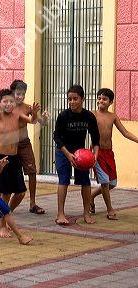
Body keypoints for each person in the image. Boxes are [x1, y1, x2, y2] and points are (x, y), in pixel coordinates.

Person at [0, 63, 39, 237]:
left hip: (14, 157)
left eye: (11, 101)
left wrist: (36, 113)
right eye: (5, 101)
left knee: (21, 192)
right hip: (2, 157)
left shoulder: (17, 115)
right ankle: (2, 224)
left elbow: (32, 122)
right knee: (5, 193)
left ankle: (5, 214)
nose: (9, 104)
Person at [54, 85, 100, 225]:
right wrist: (68, 155)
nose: (72, 102)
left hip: (81, 153)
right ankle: (60, 214)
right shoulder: (63, 116)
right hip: (63, 152)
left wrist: (95, 156)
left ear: (83, 99)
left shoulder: (89, 116)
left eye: (75, 99)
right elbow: (56, 137)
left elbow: (95, 138)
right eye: (69, 99)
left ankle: (86, 213)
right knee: (64, 181)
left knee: (85, 182)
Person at [90, 88, 138, 220]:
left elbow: (125, 132)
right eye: (99, 98)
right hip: (97, 152)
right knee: (105, 182)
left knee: (112, 183)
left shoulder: (113, 116)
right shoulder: (92, 115)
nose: (101, 101)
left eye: (104, 99)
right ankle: (110, 210)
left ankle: (91, 196)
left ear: (110, 102)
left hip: (109, 153)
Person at [10, 79, 49, 215]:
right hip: (10, 145)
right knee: (8, 173)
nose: (20, 97)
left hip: (24, 143)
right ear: (12, 93)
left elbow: (40, 122)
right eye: (18, 94)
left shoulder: (27, 108)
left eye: (23, 94)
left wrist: (44, 117)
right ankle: (5, 203)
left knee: (32, 171)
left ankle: (33, 203)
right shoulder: (7, 107)